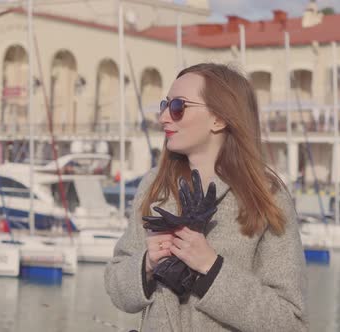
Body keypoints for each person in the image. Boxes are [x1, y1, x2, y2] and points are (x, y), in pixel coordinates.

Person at [104, 63, 307, 331]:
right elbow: (117, 287)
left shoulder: (267, 196)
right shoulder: (155, 185)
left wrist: (211, 269)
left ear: (219, 118)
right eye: (164, 105)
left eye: (178, 107)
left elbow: (290, 323)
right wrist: (146, 264)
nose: (164, 117)